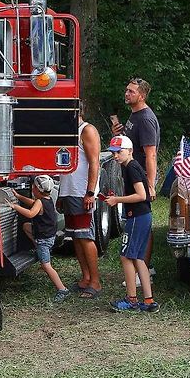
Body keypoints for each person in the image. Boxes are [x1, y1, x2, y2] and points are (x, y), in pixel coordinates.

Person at [111, 77, 160, 286]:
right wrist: (118, 135)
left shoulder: (146, 119)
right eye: (126, 90)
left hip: (140, 178)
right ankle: (141, 267)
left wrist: (150, 184)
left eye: (131, 91)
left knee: (142, 222)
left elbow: (151, 154)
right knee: (137, 221)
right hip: (132, 175)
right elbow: (131, 145)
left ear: (142, 95)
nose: (127, 94)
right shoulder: (134, 115)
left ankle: (143, 270)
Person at [104, 136, 159, 313]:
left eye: (119, 152)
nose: (115, 156)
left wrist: (116, 200)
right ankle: (149, 301)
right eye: (113, 153)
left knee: (126, 256)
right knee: (138, 258)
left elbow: (142, 195)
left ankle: (131, 300)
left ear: (130, 151)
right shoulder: (129, 167)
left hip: (137, 216)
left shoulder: (131, 168)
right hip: (143, 216)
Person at [58, 107, 102, 298]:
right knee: (75, 236)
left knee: (85, 236)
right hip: (69, 191)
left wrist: (90, 192)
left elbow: (94, 162)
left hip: (82, 191)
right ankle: (85, 277)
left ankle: (95, 281)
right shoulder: (67, 132)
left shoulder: (87, 130)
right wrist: (61, 193)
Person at [10, 175, 70, 303]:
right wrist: (19, 197)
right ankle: (39, 249)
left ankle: (62, 289)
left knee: (46, 265)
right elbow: (32, 203)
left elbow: (31, 213)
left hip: (43, 239)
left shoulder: (39, 202)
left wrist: (15, 207)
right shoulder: (46, 199)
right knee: (26, 226)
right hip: (48, 235)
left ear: (36, 189)